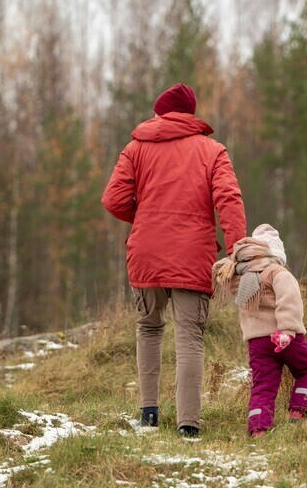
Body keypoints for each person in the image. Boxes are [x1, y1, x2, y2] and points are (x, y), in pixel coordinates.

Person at [102, 83, 246, 438]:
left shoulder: (135, 148)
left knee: (149, 327)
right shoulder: (213, 151)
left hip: (146, 252)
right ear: (190, 115)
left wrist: (147, 217)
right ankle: (188, 426)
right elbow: (229, 200)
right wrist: (236, 250)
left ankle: (149, 415)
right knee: (189, 337)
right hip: (192, 254)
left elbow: (113, 199)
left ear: (160, 113)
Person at [214, 223, 307, 436]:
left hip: (257, 342)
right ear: (276, 253)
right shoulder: (277, 272)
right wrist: (287, 331)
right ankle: (299, 412)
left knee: (263, 386)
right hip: (285, 337)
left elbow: (221, 273)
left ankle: (258, 431)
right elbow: (289, 301)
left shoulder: (239, 277)